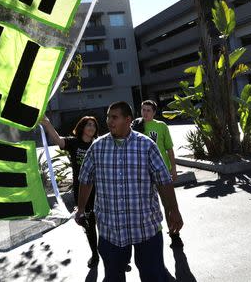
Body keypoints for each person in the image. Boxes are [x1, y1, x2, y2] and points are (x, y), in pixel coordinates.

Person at [76, 101, 183, 282]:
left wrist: (173, 209)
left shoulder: (146, 146)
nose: (109, 121)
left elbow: (163, 181)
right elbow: (85, 180)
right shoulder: (97, 148)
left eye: (114, 117)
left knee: (153, 275)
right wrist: (80, 209)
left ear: (128, 119)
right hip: (111, 230)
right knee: (113, 276)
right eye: (108, 116)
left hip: (146, 227)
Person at [40, 114, 100, 267]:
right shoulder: (74, 143)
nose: (91, 128)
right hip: (81, 190)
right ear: (82, 127)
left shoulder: (99, 144)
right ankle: (95, 254)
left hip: (100, 190)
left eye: (93, 125)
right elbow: (59, 141)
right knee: (89, 223)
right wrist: (47, 124)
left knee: (105, 222)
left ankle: (114, 254)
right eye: (88, 125)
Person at [133, 100, 182, 248]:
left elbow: (169, 149)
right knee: (146, 207)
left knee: (168, 204)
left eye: (148, 110)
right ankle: (149, 237)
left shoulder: (161, 126)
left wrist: (173, 168)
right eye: (143, 110)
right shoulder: (136, 126)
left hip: (162, 171)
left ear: (154, 112)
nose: (145, 113)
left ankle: (174, 233)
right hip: (144, 173)